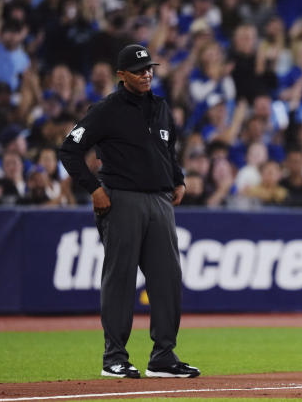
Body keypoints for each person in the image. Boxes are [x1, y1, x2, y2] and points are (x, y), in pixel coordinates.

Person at [59, 44, 199, 379]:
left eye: (149, 68)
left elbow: (168, 149)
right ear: (122, 75)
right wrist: (94, 188)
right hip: (121, 199)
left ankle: (163, 356)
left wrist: (177, 179)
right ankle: (114, 358)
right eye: (138, 70)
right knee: (120, 279)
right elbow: (70, 149)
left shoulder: (161, 107)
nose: (146, 73)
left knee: (167, 279)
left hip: (160, 201)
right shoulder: (106, 109)